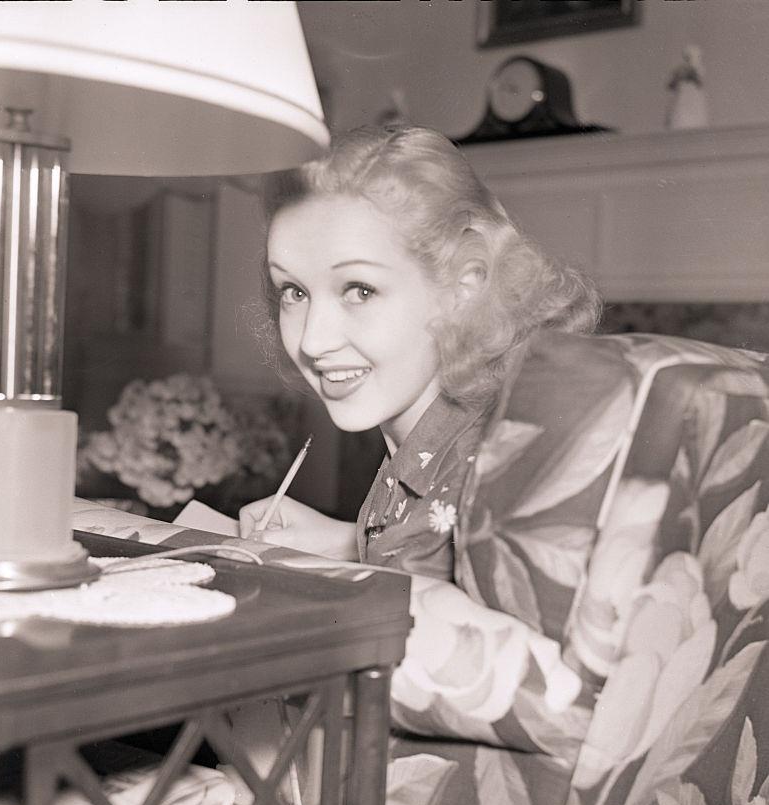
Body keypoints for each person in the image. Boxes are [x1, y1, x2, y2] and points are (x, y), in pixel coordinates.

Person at [238, 124, 600, 581]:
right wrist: (352, 541)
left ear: (463, 287)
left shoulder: (494, 474)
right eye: (293, 291)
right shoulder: (437, 437)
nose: (312, 341)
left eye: (360, 290)